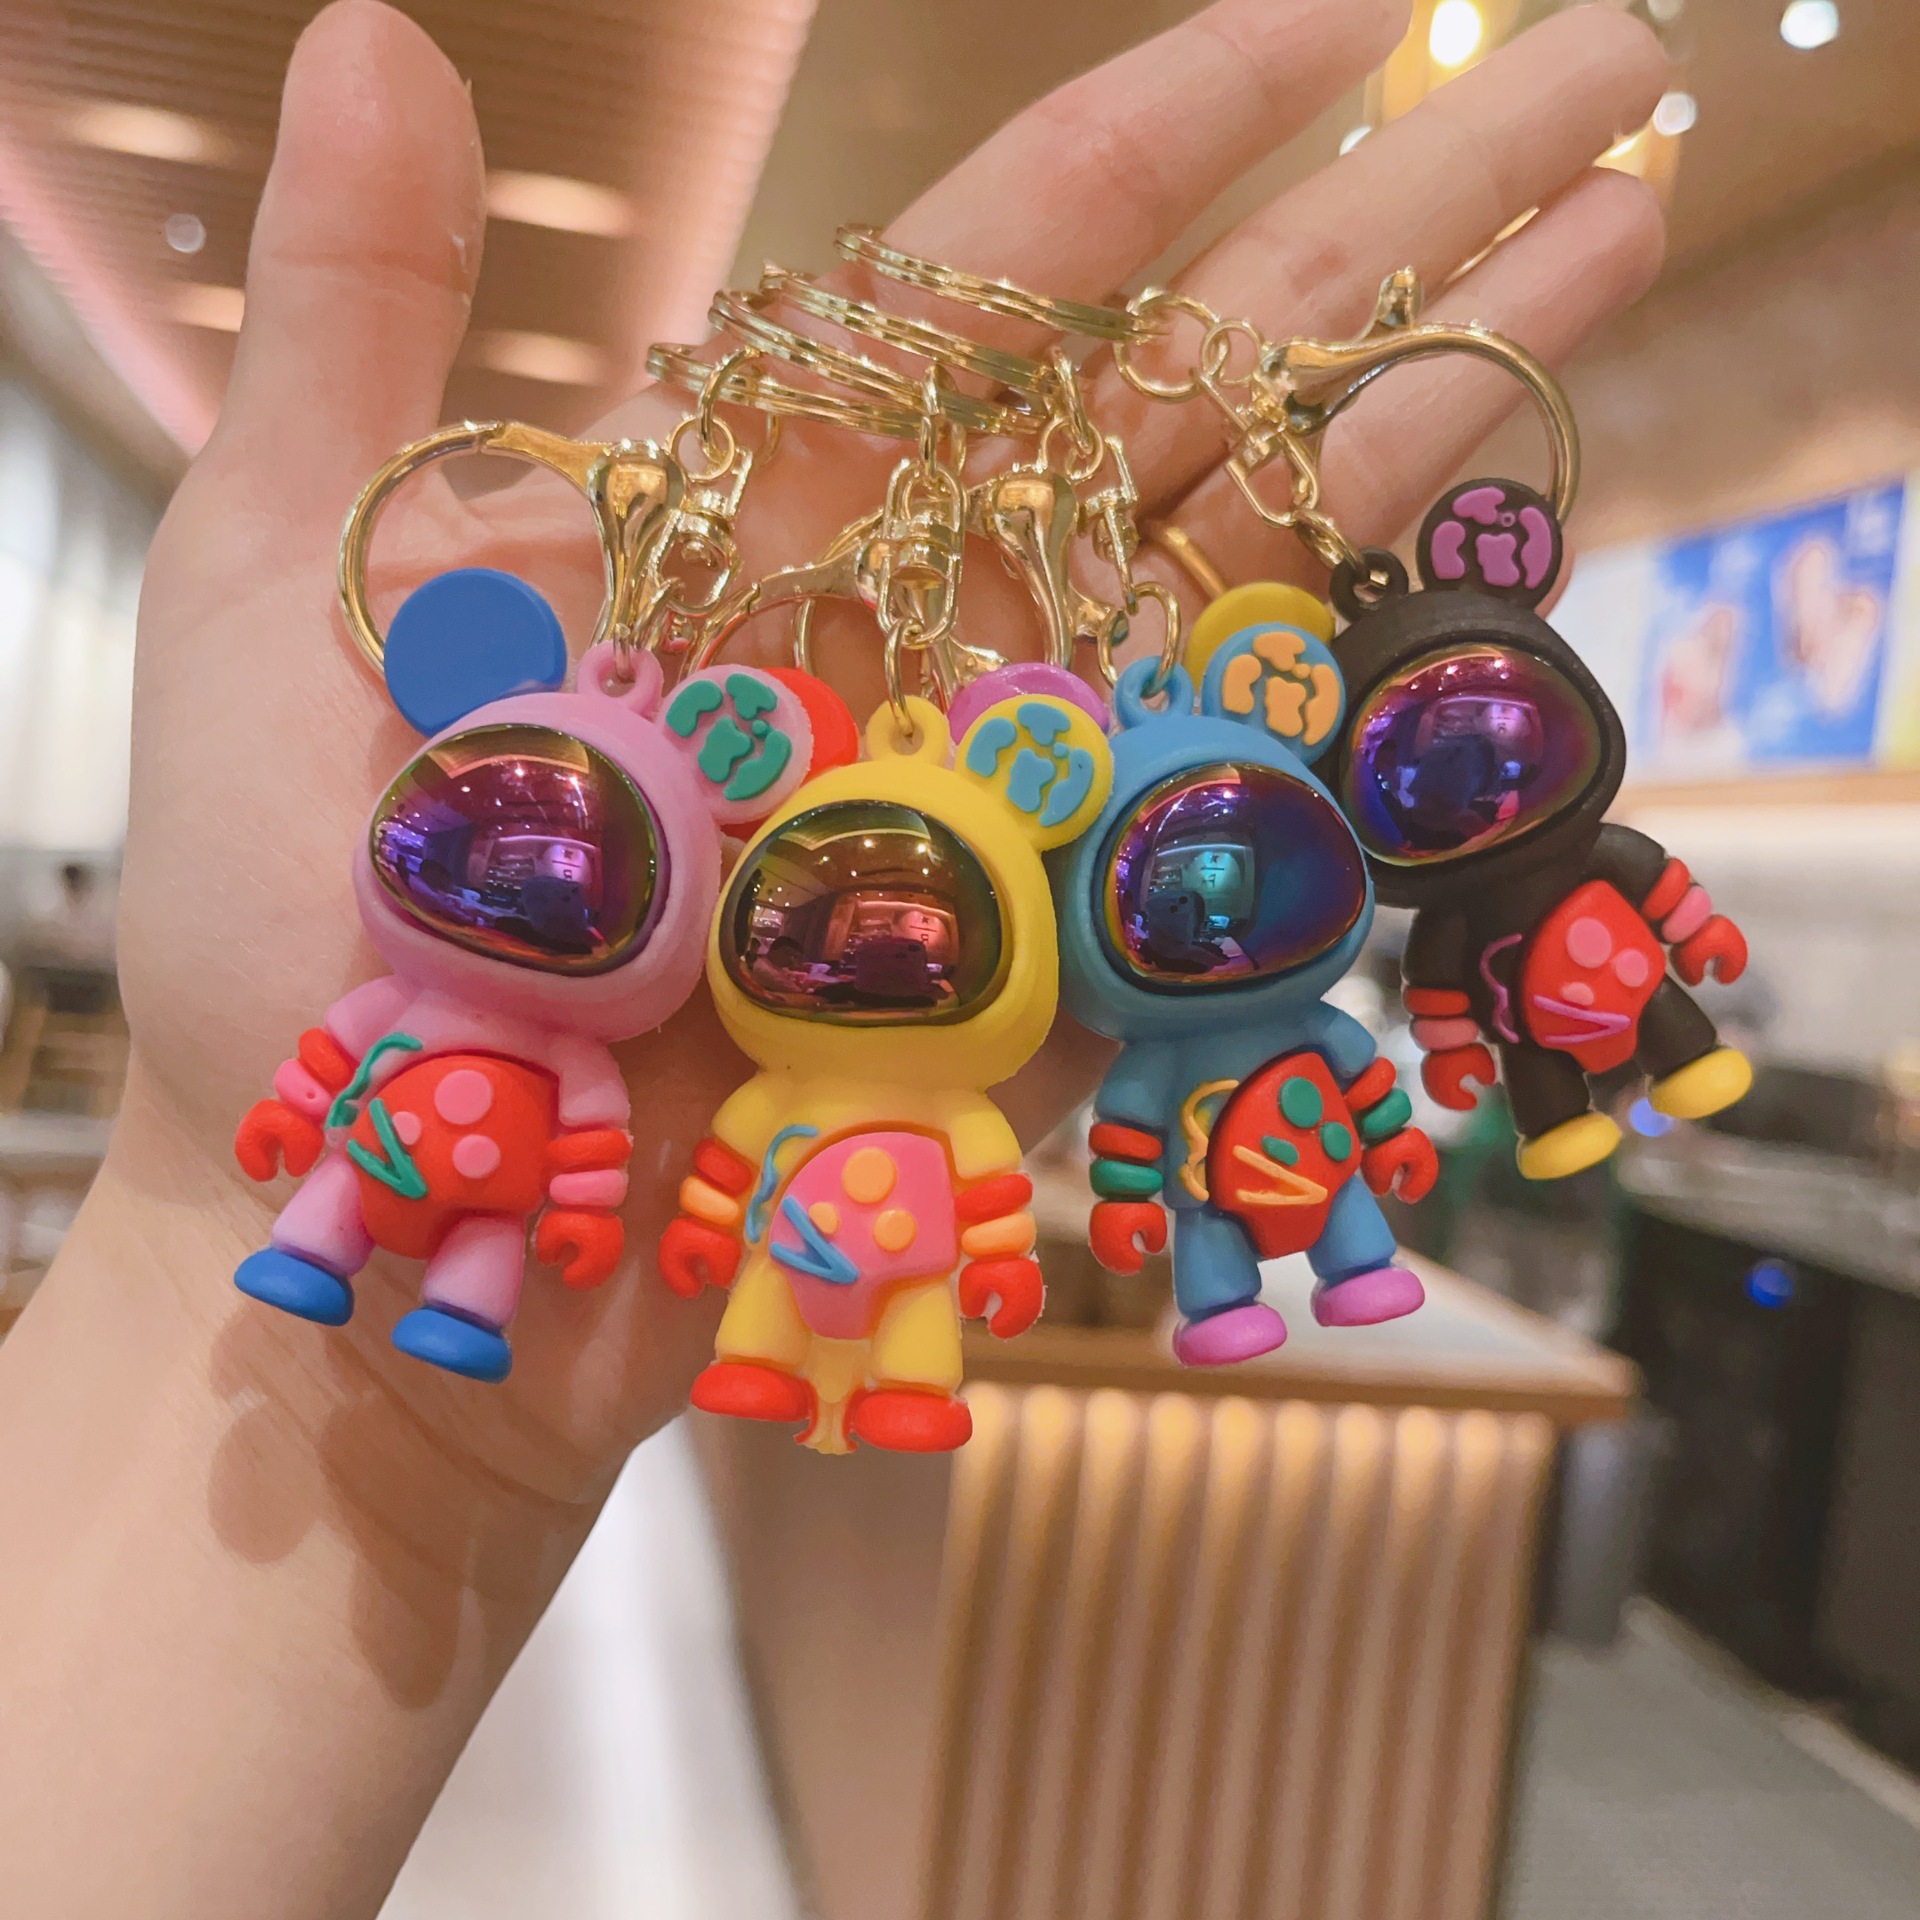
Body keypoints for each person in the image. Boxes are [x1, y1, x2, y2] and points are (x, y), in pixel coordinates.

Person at [0, 2, 1667, 1913]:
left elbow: (923, 1148)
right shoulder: (584, 1002)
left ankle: (1165, 1301)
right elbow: (569, 1123)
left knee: (1134, 1250)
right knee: (437, 1231)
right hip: (551, 1142)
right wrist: (308, 1195)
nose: (522, 880)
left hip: (1007, 1036)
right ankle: (361, 1260)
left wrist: (1081, 1192)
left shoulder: (970, 976)